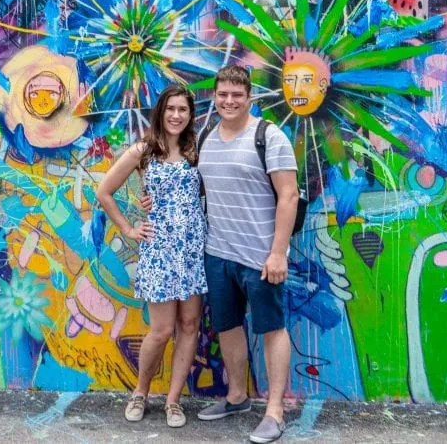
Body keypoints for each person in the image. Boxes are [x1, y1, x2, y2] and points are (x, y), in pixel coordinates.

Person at [193, 64, 300, 444]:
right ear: (215, 96)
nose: (229, 101)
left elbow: (289, 196)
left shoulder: (269, 137)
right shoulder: (206, 137)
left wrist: (278, 253)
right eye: (222, 94)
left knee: (271, 328)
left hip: (260, 257)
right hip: (218, 253)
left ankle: (274, 411)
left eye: (237, 95)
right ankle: (237, 396)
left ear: (249, 97)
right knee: (228, 327)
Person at [95, 84, 208, 428]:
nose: (176, 115)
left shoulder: (196, 150)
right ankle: (140, 392)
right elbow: (104, 191)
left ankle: (173, 401)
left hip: (191, 249)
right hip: (159, 251)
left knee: (189, 325)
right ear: (161, 111)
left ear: (190, 115)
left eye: (183, 110)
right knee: (160, 330)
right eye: (171, 108)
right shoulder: (145, 150)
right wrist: (129, 229)